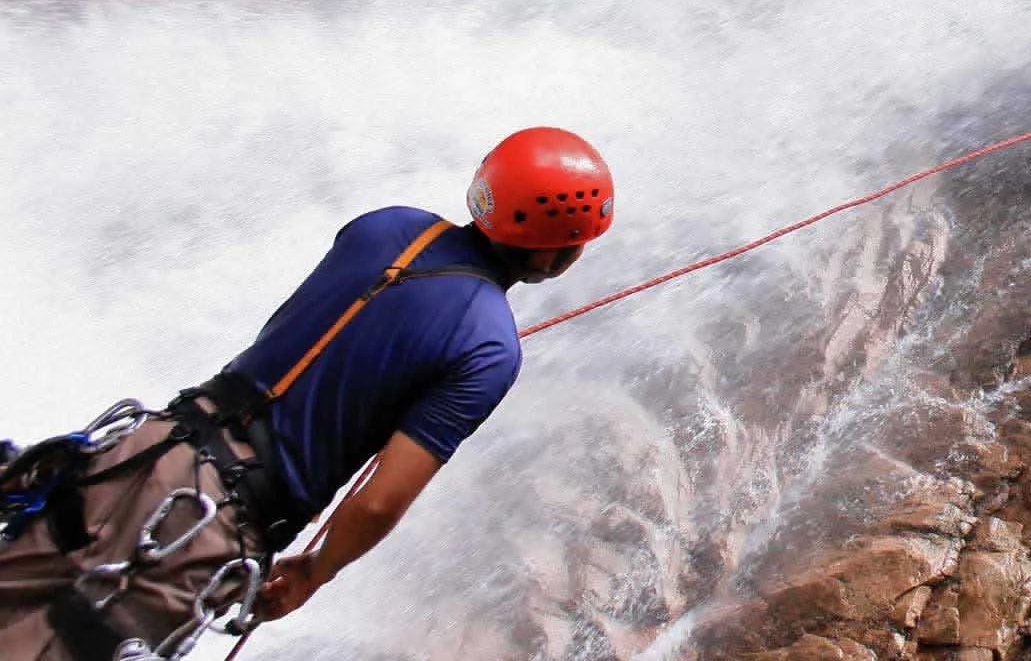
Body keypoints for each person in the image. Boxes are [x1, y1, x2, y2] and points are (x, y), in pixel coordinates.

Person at [0, 127, 615, 660]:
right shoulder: (488, 349)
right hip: (203, 527)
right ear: (554, 251)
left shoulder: (387, 225)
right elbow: (378, 502)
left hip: (144, 451)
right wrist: (315, 572)